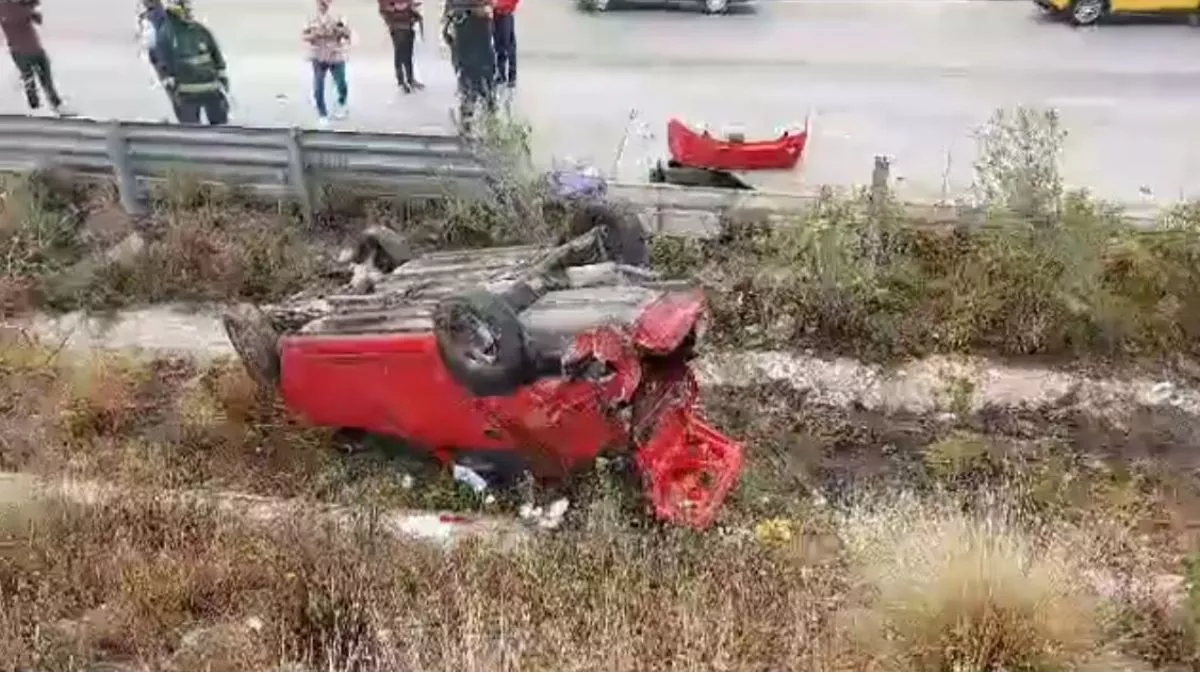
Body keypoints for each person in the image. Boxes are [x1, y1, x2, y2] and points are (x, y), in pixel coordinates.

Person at [154, 0, 229, 125]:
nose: (189, 10)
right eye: (184, 6)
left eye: (188, 7)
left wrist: (223, 81)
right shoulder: (167, 33)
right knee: (191, 132)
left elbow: (216, 56)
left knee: (221, 130)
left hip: (212, 92)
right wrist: (172, 89)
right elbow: (163, 64)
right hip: (187, 95)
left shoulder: (201, 31)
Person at [0, 0, 66, 116]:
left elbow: (37, 17)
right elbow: (36, 17)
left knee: (36, 80)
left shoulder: (17, 7)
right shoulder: (16, 8)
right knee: (35, 81)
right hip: (24, 51)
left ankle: (48, 106)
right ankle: (43, 107)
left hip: (30, 49)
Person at [442, 0, 495, 132]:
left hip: (476, 27)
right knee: (469, 73)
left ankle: (486, 115)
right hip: (465, 26)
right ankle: (469, 117)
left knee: (483, 72)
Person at [304, 0, 350, 127]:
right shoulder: (311, 17)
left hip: (335, 54)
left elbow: (347, 34)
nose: (322, 4)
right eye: (320, 2)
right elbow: (304, 36)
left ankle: (341, 102)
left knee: (341, 82)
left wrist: (338, 30)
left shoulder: (339, 15)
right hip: (318, 55)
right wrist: (314, 34)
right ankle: (322, 113)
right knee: (318, 85)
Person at [137, 0, 184, 121]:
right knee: (175, 91)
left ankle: (184, 117)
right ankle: (183, 117)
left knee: (175, 91)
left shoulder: (156, 19)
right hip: (162, 56)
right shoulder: (154, 18)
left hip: (163, 58)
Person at [379, 0, 423, 93]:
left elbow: (411, 6)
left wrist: (413, 13)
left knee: (408, 55)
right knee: (400, 54)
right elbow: (383, 8)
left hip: (408, 26)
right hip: (397, 27)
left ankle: (410, 79)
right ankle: (402, 81)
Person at [491, 0, 517, 88]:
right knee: (498, 46)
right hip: (494, 14)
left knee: (508, 47)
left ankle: (511, 76)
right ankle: (500, 74)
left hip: (505, 14)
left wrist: (501, 5)